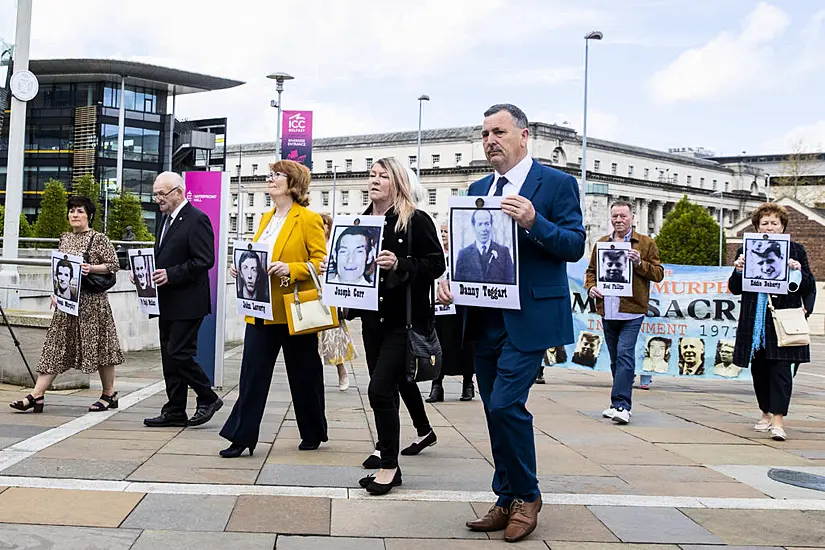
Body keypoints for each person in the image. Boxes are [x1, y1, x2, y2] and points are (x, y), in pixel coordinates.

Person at [438, 104, 585, 542]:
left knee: (505, 404)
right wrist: (450, 277)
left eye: (498, 131)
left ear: (524, 135)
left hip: (529, 317)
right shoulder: (479, 186)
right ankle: (506, 498)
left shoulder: (557, 184)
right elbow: (468, 252)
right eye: (484, 134)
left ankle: (527, 496)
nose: (489, 141)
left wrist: (533, 221)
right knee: (492, 408)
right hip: (483, 317)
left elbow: (574, 245)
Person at [344, 156, 444, 496]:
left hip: (405, 321)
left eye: (382, 176)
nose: (374, 180)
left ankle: (389, 465)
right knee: (383, 390)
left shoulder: (415, 219)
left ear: (397, 183)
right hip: (373, 320)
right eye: (371, 174)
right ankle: (389, 457)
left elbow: (435, 264)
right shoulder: (359, 221)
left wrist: (401, 263)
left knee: (379, 390)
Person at [220, 160, 329, 456]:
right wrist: (240, 267)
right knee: (252, 375)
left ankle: (313, 430)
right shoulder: (266, 218)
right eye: (270, 174)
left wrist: (291, 268)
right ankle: (241, 437)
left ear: (292, 183)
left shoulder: (308, 219)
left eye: (276, 175)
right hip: (260, 310)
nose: (270, 179)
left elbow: (322, 263)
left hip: (294, 310)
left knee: (304, 373)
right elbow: (259, 256)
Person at [11, 196, 123, 414]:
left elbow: (113, 265)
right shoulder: (64, 238)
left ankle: (109, 394)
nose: (74, 215)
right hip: (67, 303)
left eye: (79, 211)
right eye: (71, 211)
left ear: (89, 215)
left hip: (92, 304)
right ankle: (36, 395)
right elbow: (60, 269)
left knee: (101, 348)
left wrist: (91, 268)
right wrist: (56, 292)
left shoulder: (98, 238)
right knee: (54, 347)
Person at [143, 172, 223, 428]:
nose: (158, 199)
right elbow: (165, 256)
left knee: (179, 353)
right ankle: (175, 409)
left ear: (178, 192)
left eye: (161, 194)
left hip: (188, 302)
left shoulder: (197, 219)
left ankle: (208, 397)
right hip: (166, 301)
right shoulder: (165, 220)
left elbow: (204, 260)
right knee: (169, 356)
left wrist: (171, 274)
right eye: (155, 194)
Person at [730, 202, 812, 442]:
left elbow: (806, 285)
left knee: (781, 371)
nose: (769, 227)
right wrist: (737, 270)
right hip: (755, 321)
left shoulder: (796, 251)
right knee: (760, 370)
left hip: (782, 319)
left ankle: (778, 419)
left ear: (782, 225)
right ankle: (765, 412)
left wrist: (796, 271)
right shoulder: (746, 250)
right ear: (756, 227)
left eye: (774, 223)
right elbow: (735, 288)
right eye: (764, 223)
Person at [585, 200, 664, 424]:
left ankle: (622, 405)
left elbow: (658, 273)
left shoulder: (646, 243)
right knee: (615, 359)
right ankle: (615, 403)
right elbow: (591, 271)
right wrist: (591, 288)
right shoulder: (601, 243)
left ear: (632, 218)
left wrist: (639, 263)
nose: (619, 220)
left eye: (623, 216)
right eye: (615, 216)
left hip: (632, 309)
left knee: (624, 354)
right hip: (607, 309)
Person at [428, 221, 476, 402]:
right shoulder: (435, 255)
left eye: (446, 231)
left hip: (461, 308)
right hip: (438, 307)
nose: (443, 234)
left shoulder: (462, 254)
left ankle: (468, 383)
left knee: (466, 346)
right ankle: (436, 385)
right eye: (440, 231)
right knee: (438, 345)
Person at [318, 213, 355, 392]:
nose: (321, 227)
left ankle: (342, 372)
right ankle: (316, 377)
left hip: (331, 298)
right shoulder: (311, 245)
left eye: (324, 224)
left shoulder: (334, 247)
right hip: (313, 297)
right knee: (312, 341)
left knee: (335, 339)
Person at [454, 209, 515, 284]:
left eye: (487, 224)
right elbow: (457, 283)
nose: (484, 229)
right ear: (473, 227)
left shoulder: (504, 252)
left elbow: (510, 281)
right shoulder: (463, 254)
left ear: (491, 225)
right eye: (480, 224)